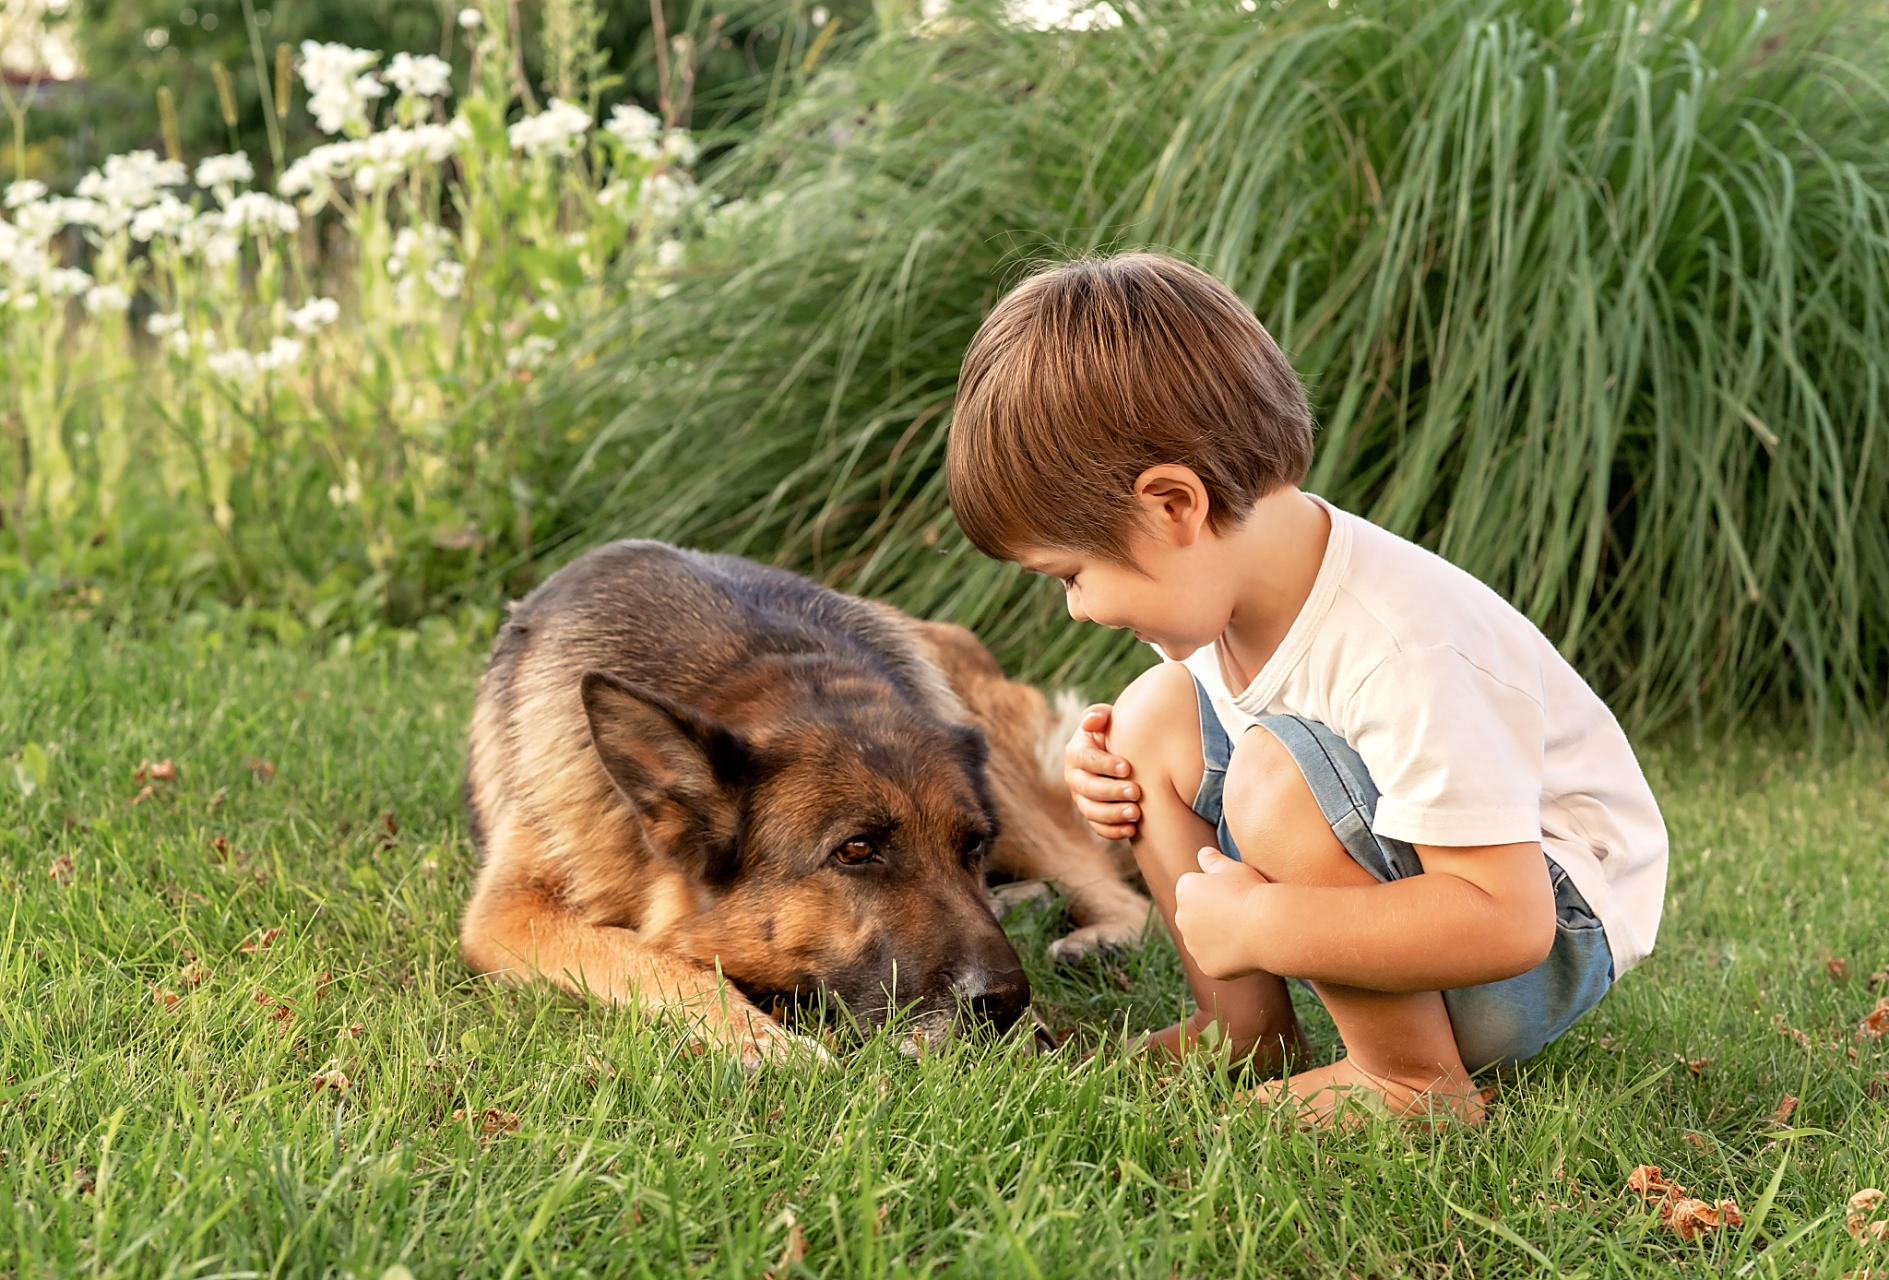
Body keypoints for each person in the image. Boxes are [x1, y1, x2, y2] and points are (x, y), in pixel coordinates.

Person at [944, 252, 1667, 1123]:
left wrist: (1266, 927)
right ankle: (1244, 1029)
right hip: (1448, 908)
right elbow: (1199, 743)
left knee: (1274, 776)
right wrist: (1112, 783)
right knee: (1147, 721)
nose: (1077, 610)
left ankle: (1410, 1080)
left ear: (1174, 505)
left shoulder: (1404, 647)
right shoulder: (1242, 590)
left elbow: (1506, 922)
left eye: (1070, 574)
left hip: (1538, 940)